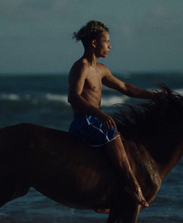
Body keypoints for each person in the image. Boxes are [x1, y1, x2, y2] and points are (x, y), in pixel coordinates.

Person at [68, 20, 154, 207]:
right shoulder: (81, 67)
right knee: (112, 135)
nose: (110, 45)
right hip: (84, 121)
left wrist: (154, 96)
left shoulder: (101, 70)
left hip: (95, 119)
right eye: (106, 41)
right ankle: (132, 185)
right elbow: (73, 98)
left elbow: (125, 87)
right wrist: (100, 114)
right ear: (93, 43)